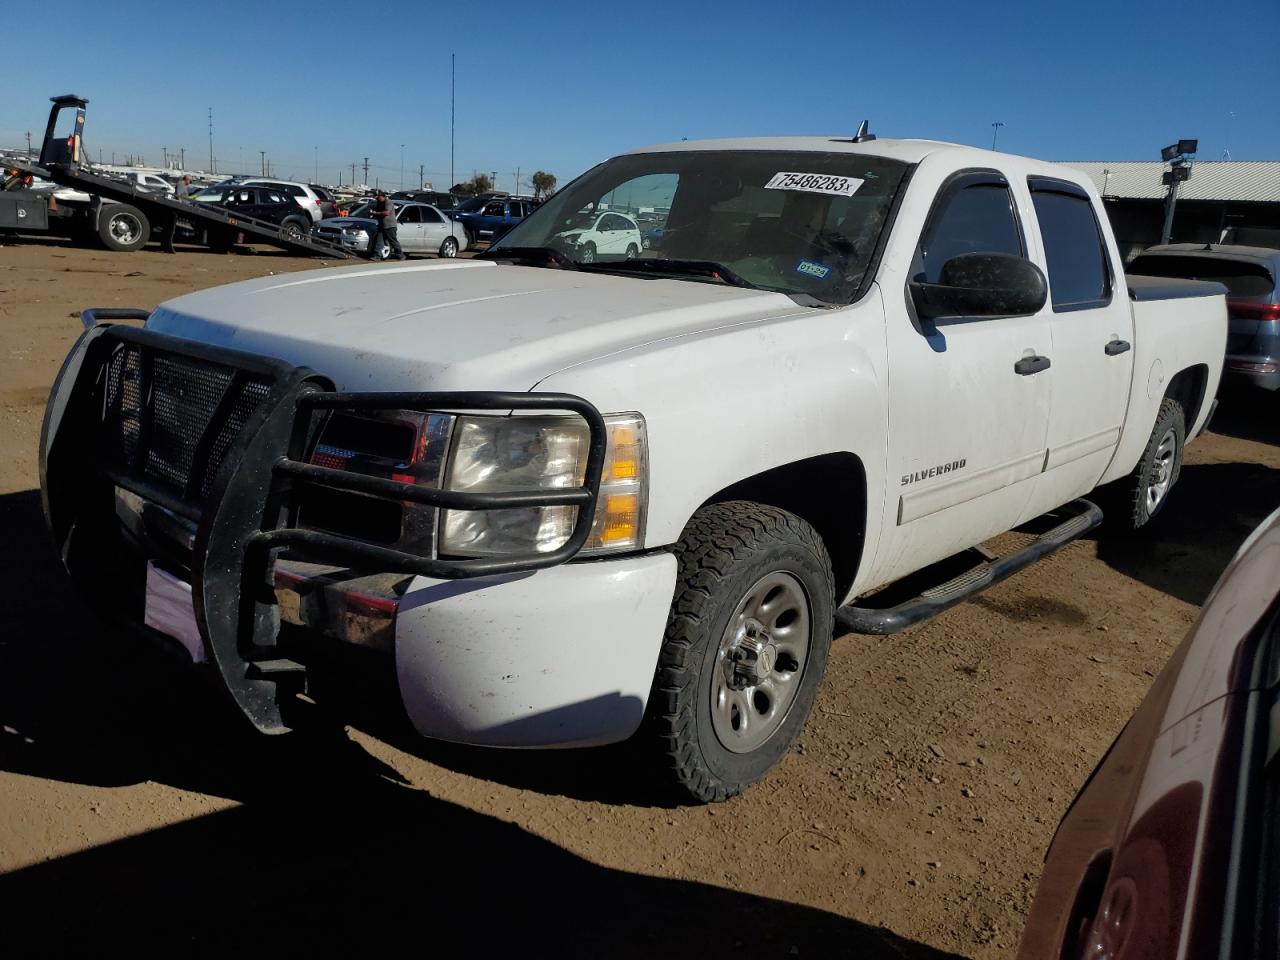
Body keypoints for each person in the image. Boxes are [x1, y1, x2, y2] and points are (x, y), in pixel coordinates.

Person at [367, 189, 405, 261]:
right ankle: (377, 256)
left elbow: (386, 213)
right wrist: (371, 213)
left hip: (390, 226)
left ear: (382, 196)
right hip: (381, 225)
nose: (376, 198)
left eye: (377, 197)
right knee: (379, 241)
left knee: (393, 241)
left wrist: (375, 213)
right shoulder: (379, 203)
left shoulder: (388, 202)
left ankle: (400, 255)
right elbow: (378, 213)